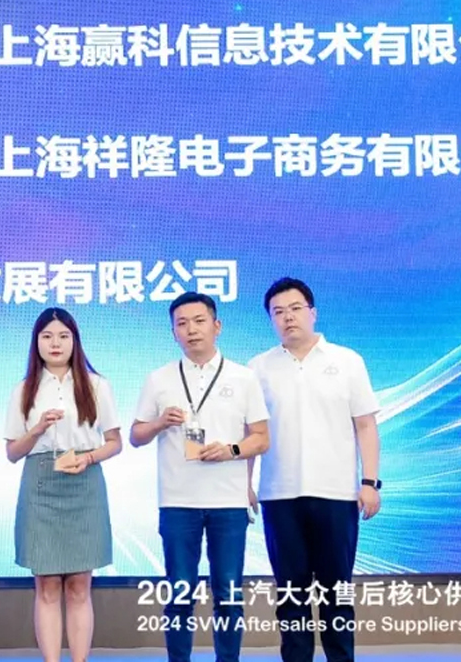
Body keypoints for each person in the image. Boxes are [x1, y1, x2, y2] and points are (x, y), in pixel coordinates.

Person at [130, 292, 269, 662]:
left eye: (199, 321)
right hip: (178, 502)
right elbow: (136, 436)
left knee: (228, 596)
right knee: (180, 594)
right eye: (182, 323)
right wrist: (160, 423)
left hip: (228, 503)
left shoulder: (244, 378)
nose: (191, 330)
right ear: (173, 332)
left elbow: (261, 438)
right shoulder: (159, 379)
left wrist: (231, 450)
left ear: (216, 326)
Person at [250, 277, 382, 662]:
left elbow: (365, 425)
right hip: (279, 496)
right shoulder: (258, 368)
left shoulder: (347, 361)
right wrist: (245, 484)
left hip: (336, 494)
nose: (287, 317)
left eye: (295, 309)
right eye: (278, 312)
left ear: (313, 312)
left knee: (336, 593)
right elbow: (252, 432)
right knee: (291, 596)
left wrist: (370, 482)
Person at [4, 307, 122, 662]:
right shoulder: (24, 389)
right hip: (40, 483)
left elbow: (115, 442)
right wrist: (37, 429)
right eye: (47, 336)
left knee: (79, 585)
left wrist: (89, 458)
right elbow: (12, 452)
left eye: (63, 336)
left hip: (84, 481)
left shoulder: (97, 385)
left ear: (75, 340)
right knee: (47, 584)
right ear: (36, 342)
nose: (55, 343)